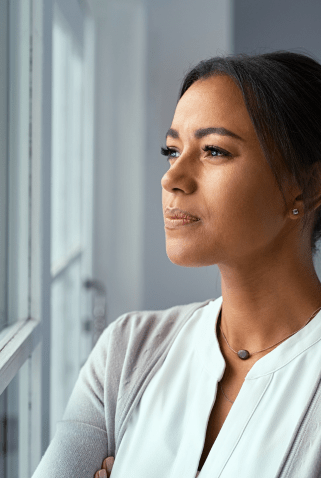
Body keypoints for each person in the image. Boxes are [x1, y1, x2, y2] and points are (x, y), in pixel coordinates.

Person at [32, 50, 321, 478]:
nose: (171, 178)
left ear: (305, 187)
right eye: (171, 150)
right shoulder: (127, 351)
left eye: (214, 151)